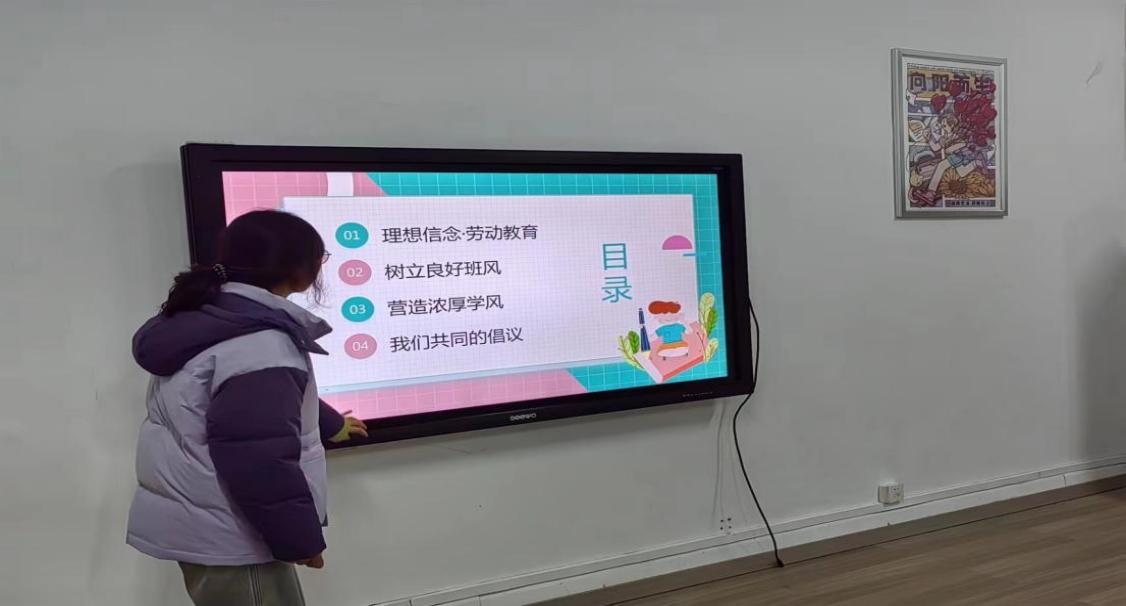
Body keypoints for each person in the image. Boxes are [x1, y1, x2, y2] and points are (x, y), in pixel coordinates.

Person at [126, 210, 368, 606]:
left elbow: (242, 403)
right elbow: (258, 457)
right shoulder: (261, 345)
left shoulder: (211, 315)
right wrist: (298, 538)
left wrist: (328, 422)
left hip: (201, 520)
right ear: (300, 270)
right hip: (234, 536)